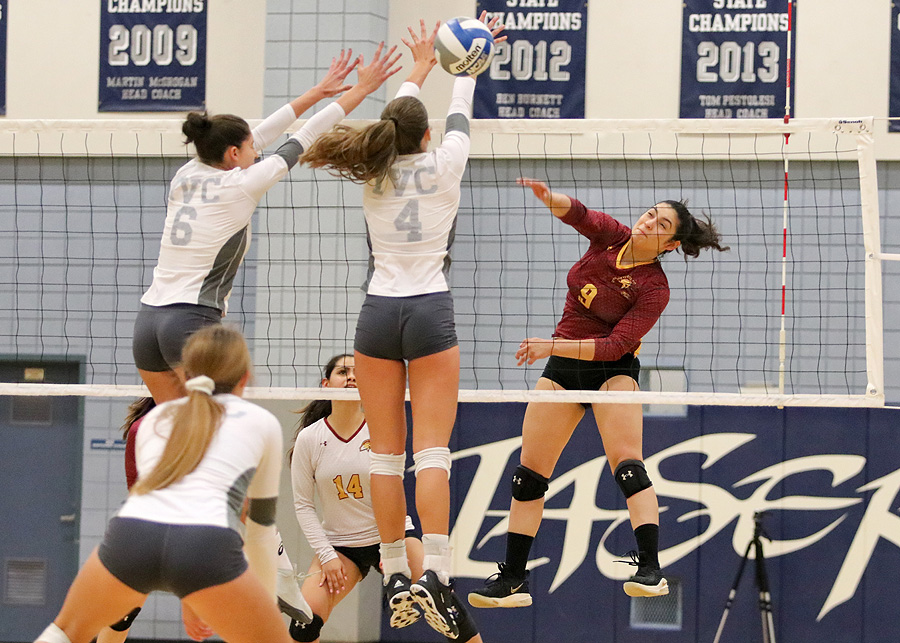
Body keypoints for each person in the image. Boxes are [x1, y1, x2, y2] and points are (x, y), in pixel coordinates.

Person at [300, 15, 504, 639]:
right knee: (431, 452)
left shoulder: (372, 170)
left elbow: (405, 115)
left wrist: (417, 66)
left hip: (377, 312)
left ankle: (393, 574)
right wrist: (463, 65)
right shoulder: (448, 162)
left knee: (385, 458)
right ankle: (435, 574)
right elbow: (461, 107)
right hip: (429, 309)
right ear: (429, 134)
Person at [467, 178, 729, 608]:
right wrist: (551, 199)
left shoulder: (654, 288)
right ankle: (514, 578)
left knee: (628, 467)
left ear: (671, 244)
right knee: (528, 477)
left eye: (661, 224)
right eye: (650, 214)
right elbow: (582, 215)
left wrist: (550, 345)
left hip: (611, 370)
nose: (648, 223)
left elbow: (612, 346)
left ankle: (650, 569)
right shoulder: (612, 236)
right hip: (563, 370)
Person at [132, 45, 401, 405]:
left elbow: (262, 133)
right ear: (232, 154)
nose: (256, 152)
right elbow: (306, 135)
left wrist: (317, 92)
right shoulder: (241, 184)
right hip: (189, 323)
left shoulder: (187, 173)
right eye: (249, 149)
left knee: (177, 431)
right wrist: (361, 91)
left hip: (147, 323)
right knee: (216, 433)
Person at [34, 325, 291, 643]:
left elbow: (165, 504)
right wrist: (260, 605)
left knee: (64, 632)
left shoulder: (153, 420)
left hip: (130, 534)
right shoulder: (262, 422)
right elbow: (260, 532)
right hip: (206, 543)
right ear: (244, 377)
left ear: (184, 375)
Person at [287, 354, 483, 643]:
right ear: (325, 384)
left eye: (357, 373)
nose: (351, 377)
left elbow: (393, 487)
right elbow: (303, 506)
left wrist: (392, 556)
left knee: (444, 602)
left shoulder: (381, 428)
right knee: (303, 620)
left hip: (392, 535)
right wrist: (327, 555)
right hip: (342, 546)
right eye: (343, 372)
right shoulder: (310, 439)